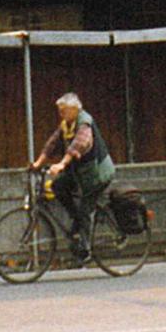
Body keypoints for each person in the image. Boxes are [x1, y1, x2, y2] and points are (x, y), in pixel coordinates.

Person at [29, 91, 117, 260]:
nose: (60, 114)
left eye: (63, 110)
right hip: (81, 174)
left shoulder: (84, 122)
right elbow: (52, 143)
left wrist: (62, 163)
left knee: (85, 208)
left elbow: (79, 144)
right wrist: (38, 163)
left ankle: (86, 248)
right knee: (58, 186)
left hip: (98, 174)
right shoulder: (66, 124)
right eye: (59, 111)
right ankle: (77, 220)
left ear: (74, 109)